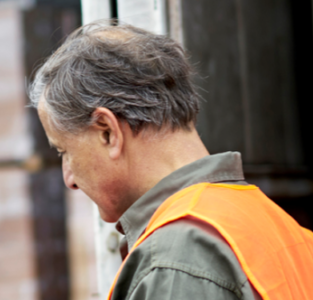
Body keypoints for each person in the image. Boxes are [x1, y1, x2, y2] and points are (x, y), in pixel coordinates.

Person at [30, 20, 313, 299]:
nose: (69, 179)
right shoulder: (282, 229)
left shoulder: (176, 259)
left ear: (107, 132)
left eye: (63, 151)